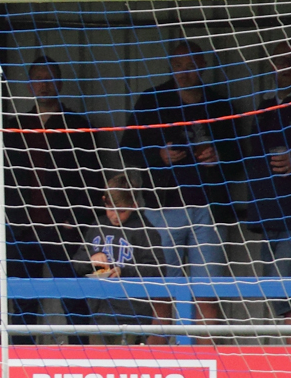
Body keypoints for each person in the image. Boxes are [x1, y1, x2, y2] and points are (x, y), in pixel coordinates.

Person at [0, 58, 104, 343]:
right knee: (23, 303)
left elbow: (92, 179)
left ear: (60, 83)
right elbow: (0, 181)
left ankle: (80, 355)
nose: (44, 84)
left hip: (64, 230)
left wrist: (78, 220)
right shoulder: (15, 127)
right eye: (38, 78)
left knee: (74, 299)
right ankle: (21, 359)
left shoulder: (78, 126)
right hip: (21, 229)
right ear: (29, 85)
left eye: (49, 78)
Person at [121, 41, 241, 326]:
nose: (184, 73)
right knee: (161, 293)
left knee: (207, 293)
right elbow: (127, 148)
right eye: (178, 66)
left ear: (203, 67)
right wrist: (158, 155)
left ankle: (204, 352)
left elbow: (240, 159)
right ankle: (161, 352)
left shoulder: (220, 105)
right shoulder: (152, 100)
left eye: (190, 66)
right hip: (162, 209)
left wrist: (218, 157)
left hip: (209, 211)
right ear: (171, 67)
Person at [72, 175, 173, 345]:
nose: (115, 216)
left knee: (128, 360)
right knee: (98, 359)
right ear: (104, 201)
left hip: (133, 316)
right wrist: (91, 260)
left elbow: (158, 269)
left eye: (121, 211)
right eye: (110, 209)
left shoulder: (144, 230)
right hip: (100, 314)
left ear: (134, 205)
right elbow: (77, 263)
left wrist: (124, 271)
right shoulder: (97, 226)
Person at [243, 43, 291, 322]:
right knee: (277, 293)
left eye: (288, 60)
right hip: (268, 213)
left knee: (286, 288)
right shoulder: (265, 106)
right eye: (278, 61)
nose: (283, 67)